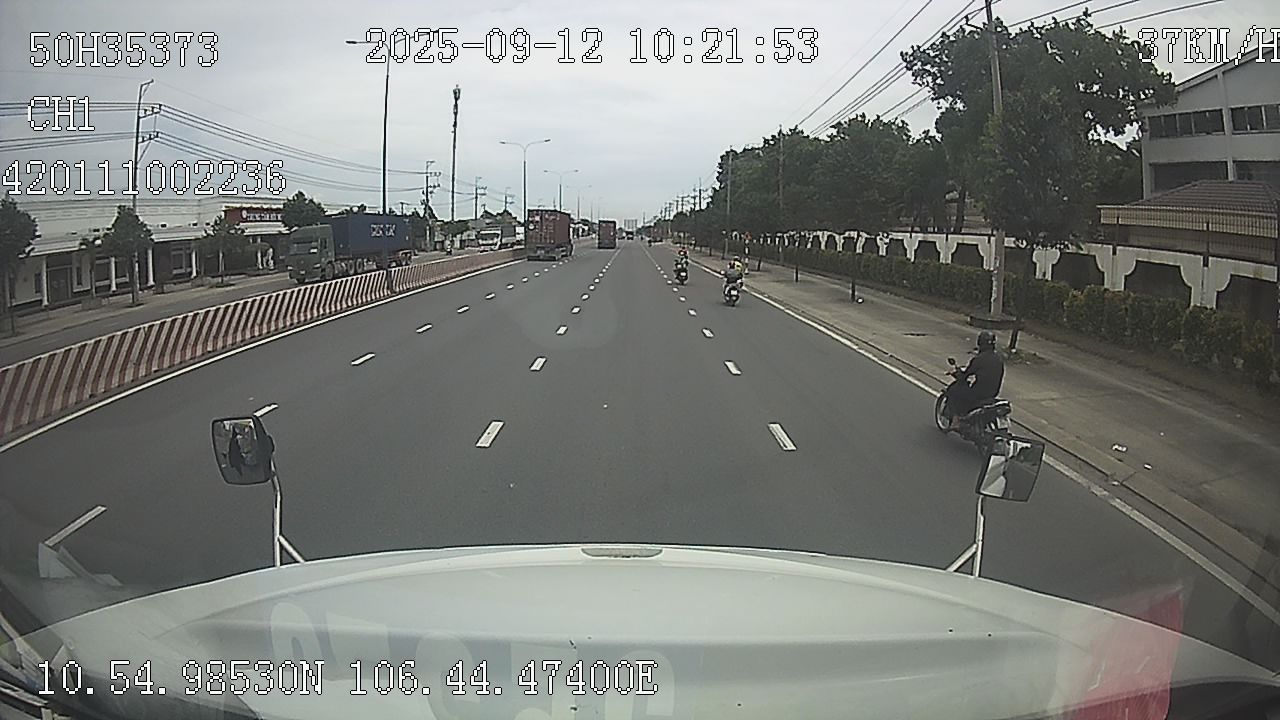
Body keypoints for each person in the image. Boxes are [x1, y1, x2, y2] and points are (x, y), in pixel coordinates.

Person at [945, 330, 1005, 428]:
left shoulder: (979, 359)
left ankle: (957, 420)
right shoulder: (998, 359)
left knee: (954, 391)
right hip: (993, 393)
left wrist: (956, 373)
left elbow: (965, 375)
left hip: (978, 393)